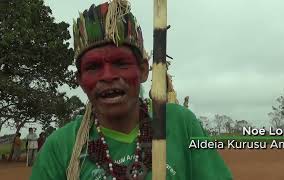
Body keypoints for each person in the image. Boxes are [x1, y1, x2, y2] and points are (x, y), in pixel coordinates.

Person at [30, 0, 232, 179]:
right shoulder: (61, 147)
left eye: (120, 63)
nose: (108, 76)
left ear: (143, 70)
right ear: (80, 80)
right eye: (93, 67)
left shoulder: (181, 124)